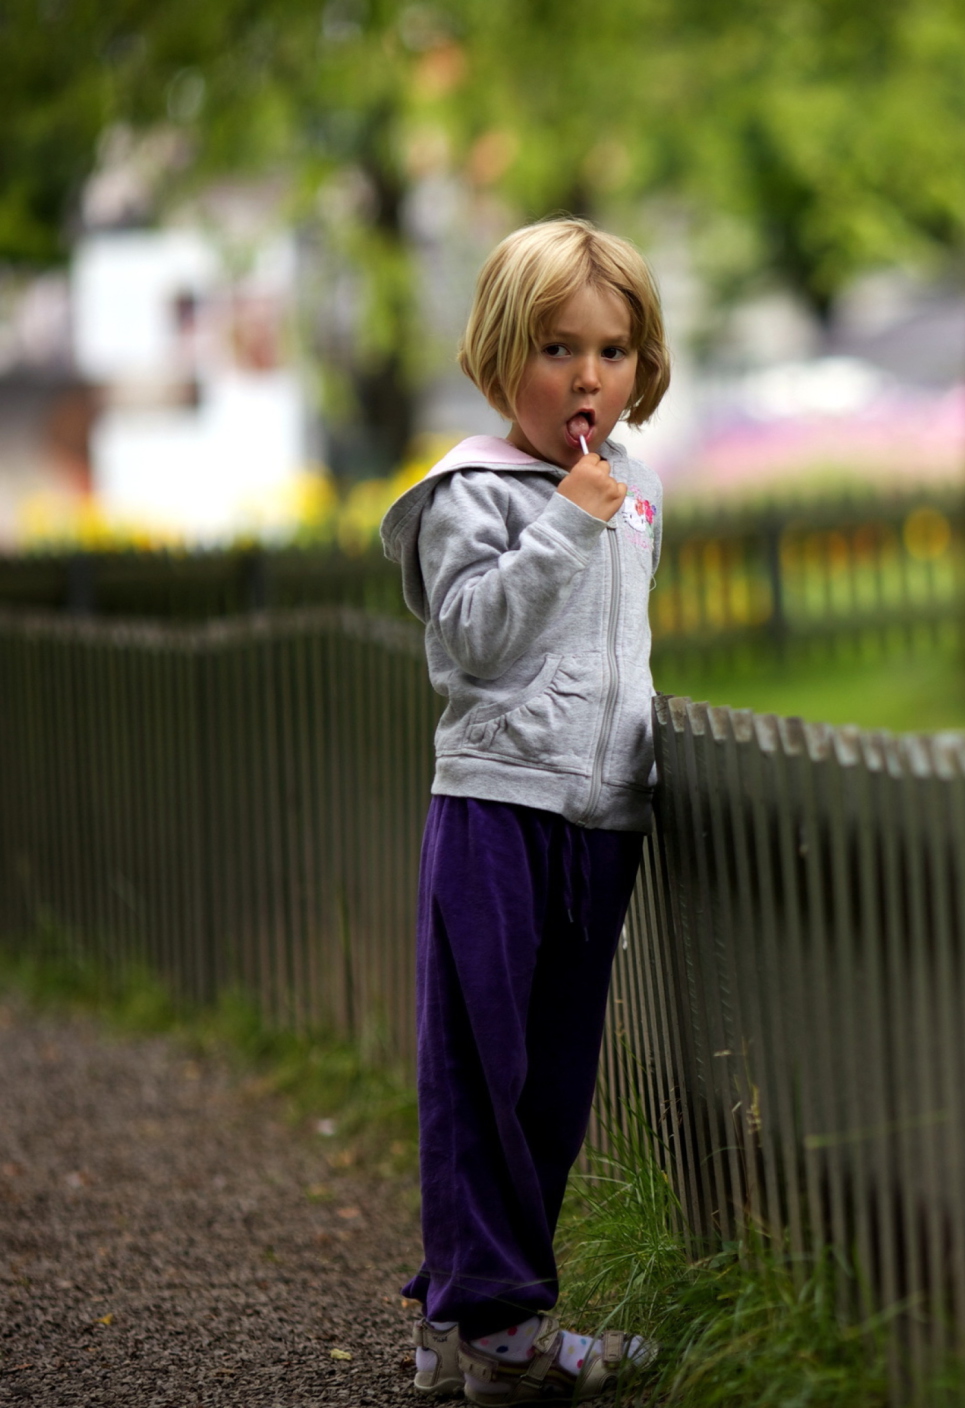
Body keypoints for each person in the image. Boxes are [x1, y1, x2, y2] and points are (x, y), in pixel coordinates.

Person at [378, 216, 669, 1403]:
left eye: (613, 350)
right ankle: (496, 1330)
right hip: (499, 807)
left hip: (599, 819)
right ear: (503, 360)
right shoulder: (476, 494)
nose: (587, 375)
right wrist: (563, 521)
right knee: (478, 1065)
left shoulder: (638, 490)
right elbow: (470, 643)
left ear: (643, 367)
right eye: (557, 349)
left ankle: (481, 1314)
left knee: (554, 1077)